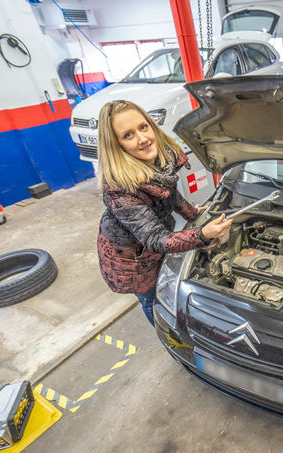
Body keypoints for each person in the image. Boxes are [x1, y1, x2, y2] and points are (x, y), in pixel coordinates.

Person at [96, 100, 232, 326]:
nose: (143, 138)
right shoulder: (119, 189)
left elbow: (169, 194)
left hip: (151, 246)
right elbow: (156, 239)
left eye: (143, 127)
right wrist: (202, 235)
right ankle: (166, 334)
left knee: (166, 286)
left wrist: (193, 213)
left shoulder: (160, 161)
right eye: (128, 135)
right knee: (153, 301)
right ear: (116, 146)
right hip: (133, 262)